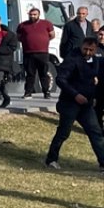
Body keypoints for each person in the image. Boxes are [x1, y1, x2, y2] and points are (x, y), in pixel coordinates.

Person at [44, 36, 104, 175]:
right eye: (85, 49)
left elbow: (93, 77)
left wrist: (93, 93)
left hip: (86, 104)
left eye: (91, 50)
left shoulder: (95, 60)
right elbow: (60, 79)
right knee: (64, 132)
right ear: (81, 46)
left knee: (95, 132)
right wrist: (75, 94)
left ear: (95, 50)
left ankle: (102, 162)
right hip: (70, 102)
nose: (88, 52)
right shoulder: (73, 58)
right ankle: (51, 159)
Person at [16, 7, 55, 99]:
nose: (32, 16)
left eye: (35, 14)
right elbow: (18, 37)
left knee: (44, 73)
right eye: (31, 14)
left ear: (38, 15)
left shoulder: (46, 24)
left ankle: (46, 92)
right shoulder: (22, 25)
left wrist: (43, 40)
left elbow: (52, 35)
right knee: (30, 74)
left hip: (43, 53)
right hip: (28, 53)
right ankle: (28, 92)